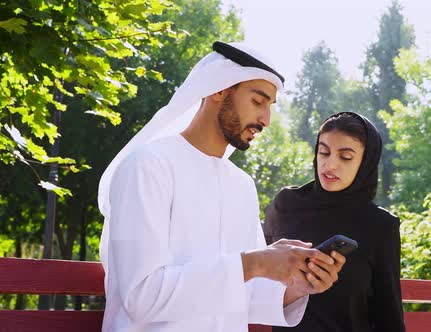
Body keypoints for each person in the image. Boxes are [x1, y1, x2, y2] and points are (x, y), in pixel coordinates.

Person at [97, 41, 346, 332]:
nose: (266, 120)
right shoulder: (147, 167)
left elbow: (242, 295)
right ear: (219, 88)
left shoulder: (241, 185)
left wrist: (297, 286)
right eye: (258, 101)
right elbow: (141, 296)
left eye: (270, 106)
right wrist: (255, 264)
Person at [263, 112, 405, 331]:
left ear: (366, 162)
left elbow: (388, 314)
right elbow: (255, 280)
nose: (330, 165)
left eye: (345, 157)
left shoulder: (380, 225)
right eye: (324, 152)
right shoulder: (287, 205)